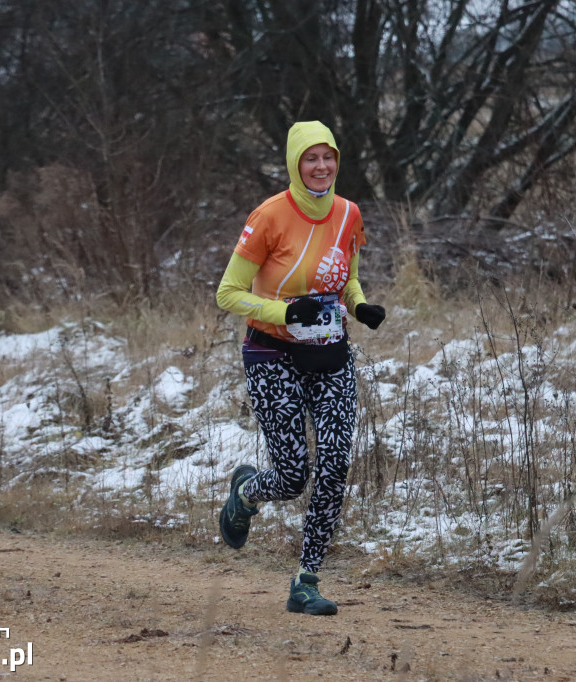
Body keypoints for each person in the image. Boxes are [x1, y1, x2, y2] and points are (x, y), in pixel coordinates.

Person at [216, 121, 386, 616]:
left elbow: (345, 278)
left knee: (334, 466)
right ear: (295, 163)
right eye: (310, 158)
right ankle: (245, 493)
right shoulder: (269, 215)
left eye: (328, 157)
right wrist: (286, 312)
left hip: (330, 357)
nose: (321, 167)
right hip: (272, 354)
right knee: (292, 477)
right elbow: (228, 293)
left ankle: (305, 582)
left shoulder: (349, 213)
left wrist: (359, 307)